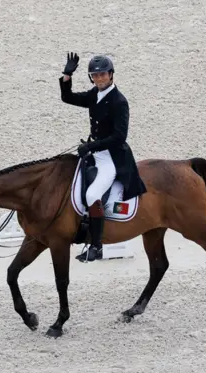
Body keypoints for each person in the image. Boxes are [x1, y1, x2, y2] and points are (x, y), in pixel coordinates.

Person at [60, 52, 148, 262]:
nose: (99, 79)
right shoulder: (94, 95)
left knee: (92, 195)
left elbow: (119, 136)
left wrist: (92, 146)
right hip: (95, 154)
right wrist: (66, 75)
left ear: (111, 75)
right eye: (95, 75)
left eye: (102, 75)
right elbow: (68, 97)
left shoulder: (119, 101)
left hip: (111, 158)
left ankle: (97, 246)